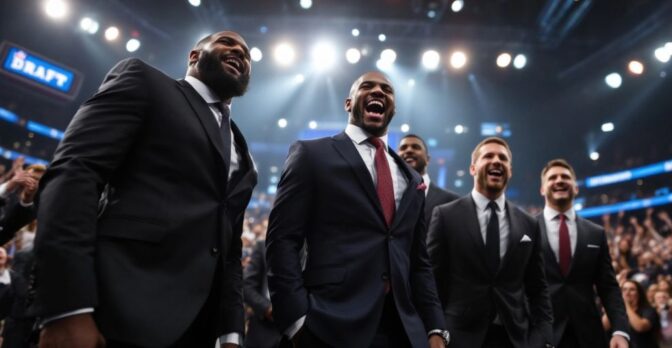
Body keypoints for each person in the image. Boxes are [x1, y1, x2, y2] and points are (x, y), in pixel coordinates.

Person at [33, 30, 257, 348]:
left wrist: (230, 332)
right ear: (194, 56)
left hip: (198, 329)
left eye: (246, 53)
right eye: (226, 42)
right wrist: (67, 307)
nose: (239, 51)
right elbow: (74, 173)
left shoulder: (242, 148)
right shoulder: (145, 81)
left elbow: (229, 250)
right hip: (114, 313)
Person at [266, 71, 447, 348]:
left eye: (387, 89)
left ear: (394, 108)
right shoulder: (312, 154)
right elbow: (282, 240)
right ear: (348, 103)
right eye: (367, 86)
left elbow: (418, 261)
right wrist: (295, 320)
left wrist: (436, 326)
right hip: (329, 323)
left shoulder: (411, 178)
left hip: (401, 330)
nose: (378, 92)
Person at [427, 136, 553, 348]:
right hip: (458, 337)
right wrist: (434, 329)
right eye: (488, 156)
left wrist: (544, 338)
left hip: (514, 338)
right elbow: (431, 282)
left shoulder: (529, 224)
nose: (496, 161)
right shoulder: (446, 216)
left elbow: (538, 289)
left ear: (510, 171)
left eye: (503, 158)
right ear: (473, 168)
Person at [537, 159, 630, 348]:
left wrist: (620, 330)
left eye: (565, 177)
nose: (559, 180)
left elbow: (608, 286)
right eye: (552, 177)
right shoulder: (526, 229)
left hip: (589, 335)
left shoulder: (596, 233)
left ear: (576, 188)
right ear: (542, 189)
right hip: (540, 336)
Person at [397, 134, 458, 226]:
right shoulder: (387, 197)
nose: (409, 150)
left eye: (415, 147)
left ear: (427, 159)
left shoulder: (452, 201)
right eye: (403, 148)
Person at [244, 239, 282, 348]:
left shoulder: (311, 249)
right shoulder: (262, 246)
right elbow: (247, 286)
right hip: (263, 330)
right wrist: (267, 309)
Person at [617, 280, 660, 348]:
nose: (627, 293)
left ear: (639, 293)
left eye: (632, 290)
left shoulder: (648, 310)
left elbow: (640, 327)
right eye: (624, 289)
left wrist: (626, 304)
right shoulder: (620, 311)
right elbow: (604, 326)